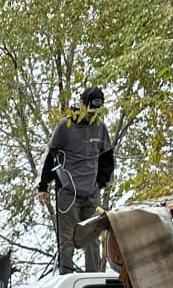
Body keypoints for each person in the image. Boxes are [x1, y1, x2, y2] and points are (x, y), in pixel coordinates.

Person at [38, 85, 115, 273]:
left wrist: (100, 183)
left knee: (92, 240)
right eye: (88, 111)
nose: (91, 116)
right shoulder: (65, 126)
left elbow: (107, 158)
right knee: (67, 240)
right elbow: (51, 156)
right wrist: (43, 186)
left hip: (91, 193)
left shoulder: (100, 127)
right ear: (81, 104)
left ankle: (93, 281)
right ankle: (66, 277)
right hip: (68, 193)